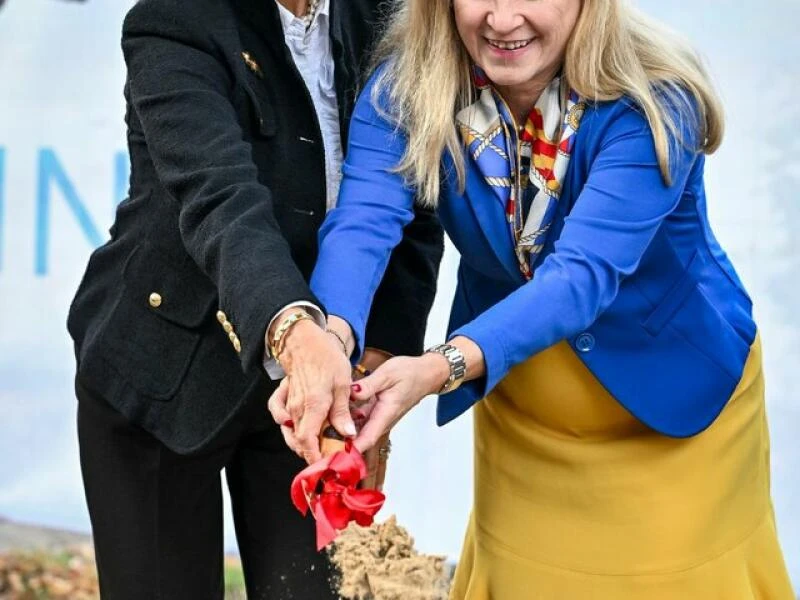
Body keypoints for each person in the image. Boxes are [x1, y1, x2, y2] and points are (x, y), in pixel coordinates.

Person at [270, 0, 796, 597]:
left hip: (675, 400)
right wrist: (329, 347)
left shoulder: (654, 99)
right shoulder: (407, 87)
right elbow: (362, 223)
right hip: (526, 392)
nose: (501, 18)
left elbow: (580, 278)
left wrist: (437, 368)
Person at [66, 0, 443, 597]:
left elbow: (414, 195)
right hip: (164, 373)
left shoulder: (385, 18)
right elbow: (220, 198)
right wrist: (297, 336)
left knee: (311, 588)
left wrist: (369, 378)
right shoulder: (174, 21)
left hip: (314, 389)